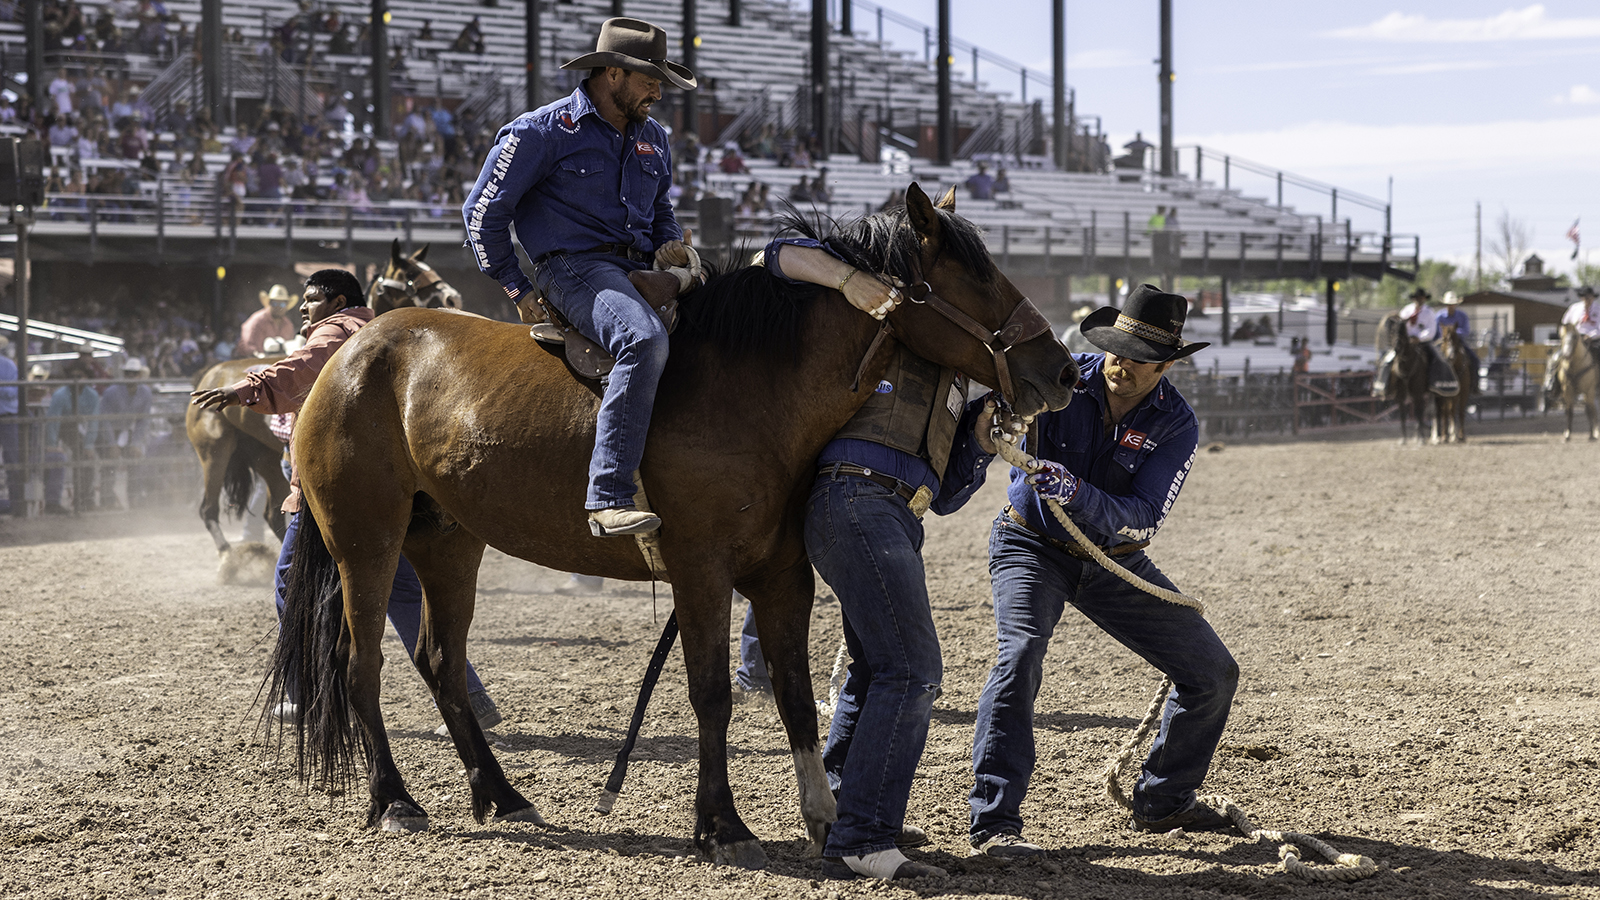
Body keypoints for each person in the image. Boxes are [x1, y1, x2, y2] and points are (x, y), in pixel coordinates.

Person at [967, 284, 1237, 858]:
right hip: (1029, 543)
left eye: (1140, 359)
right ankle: (994, 825)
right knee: (1019, 657)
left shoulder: (1177, 425)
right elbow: (991, 398)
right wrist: (992, 418)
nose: (1123, 365)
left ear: (1166, 366)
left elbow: (1142, 519)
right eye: (1117, 350)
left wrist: (1078, 493)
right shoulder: (1060, 378)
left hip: (1115, 559)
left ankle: (1163, 801)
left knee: (1212, 673)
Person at [762, 235, 987, 881]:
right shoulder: (879, 321)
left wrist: (983, 443)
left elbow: (947, 496)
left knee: (877, 667)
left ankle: (843, 810)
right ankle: (864, 836)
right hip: (855, 499)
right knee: (912, 671)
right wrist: (845, 280)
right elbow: (774, 256)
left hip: (889, 510)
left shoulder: (963, 385)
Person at [190, 269, 503, 732]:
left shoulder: (336, 330)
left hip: (337, 487)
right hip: (386, 486)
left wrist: (247, 388)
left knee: (290, 582)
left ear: (337, 302)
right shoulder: (374, 326)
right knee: (399, 590)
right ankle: (470, 696)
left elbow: (306, 365)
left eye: (311, 299)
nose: (302, 307)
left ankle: (307, 694)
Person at [463, 16, 697, 537]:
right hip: (573, 267)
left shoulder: (654, 137)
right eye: (648, 77)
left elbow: (660, 208)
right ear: (612, 73)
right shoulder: (540, 131)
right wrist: (517, 287)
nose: (659, 90)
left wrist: (669, 240)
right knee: (641, 339)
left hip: (637, 268)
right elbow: (482, 214)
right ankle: (609, 495)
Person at [43, 358, 100, 514]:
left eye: (80, 376)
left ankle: (84, 497)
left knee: (86, 456)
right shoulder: (60, 395)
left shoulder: (92, 395)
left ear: (86, 377)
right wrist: (52, 444)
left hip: (75, 426)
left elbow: (93, 422)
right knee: (56, 458)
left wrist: (89, 445)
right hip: (61, 425)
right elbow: (53, 421)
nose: (76, 379)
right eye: (73, 376)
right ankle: (54, 502)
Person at [237, 284, 300, 357]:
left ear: (286, 306)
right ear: (269, 303)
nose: (278, 307)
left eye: (282, 304)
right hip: (254, 363)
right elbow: (247, 348)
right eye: (275, 303)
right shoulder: (256, 321)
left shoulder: (288, 324)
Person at [1434, 291, 1479, 389]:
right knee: (1431, 360)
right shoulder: (1439, 316)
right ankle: (1431, 384)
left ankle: (1474, 385)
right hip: (1442, 342)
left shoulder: (1462, 316)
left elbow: (1466, 331)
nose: (1450, 306)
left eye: (1452, 304)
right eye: (1449, 304)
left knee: (1474, 359)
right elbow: (1436, 332)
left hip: (1458, 342)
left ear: (1456, 304)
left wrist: (1453, 333)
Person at [0, 336, 21, 516]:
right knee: (12, 461)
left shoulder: (8, 365)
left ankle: (16, 502)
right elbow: (12, 391)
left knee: (13, 461)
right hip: (7, 415)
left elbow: (14, 391)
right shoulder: (9, 366)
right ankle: (15, 503)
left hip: (7, 416)